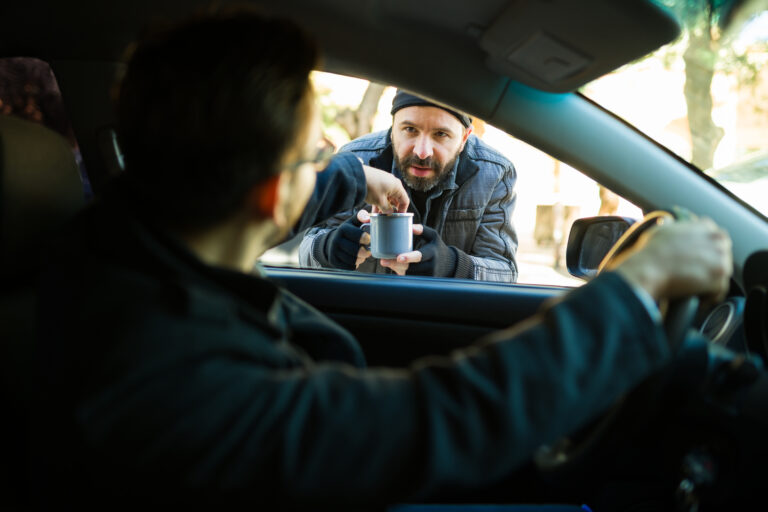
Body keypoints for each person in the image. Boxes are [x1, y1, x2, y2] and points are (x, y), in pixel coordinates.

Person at [33, 9, 733, 509]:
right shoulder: (163, 371)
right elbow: (422, 422)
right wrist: (635, 288)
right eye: (313, 158)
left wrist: (351, 178)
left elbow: (273, 193)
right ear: (275, 193)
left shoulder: (122, 257)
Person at [299, 90, 519, 282]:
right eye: (410, 130)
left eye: (440, 134)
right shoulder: (356, 160)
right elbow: (305, 252)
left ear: (464, 138)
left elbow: (505, 272)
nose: (422, 152)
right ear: (392, 127)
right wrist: (328, 248)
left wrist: (453, 266)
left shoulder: (495, 173)